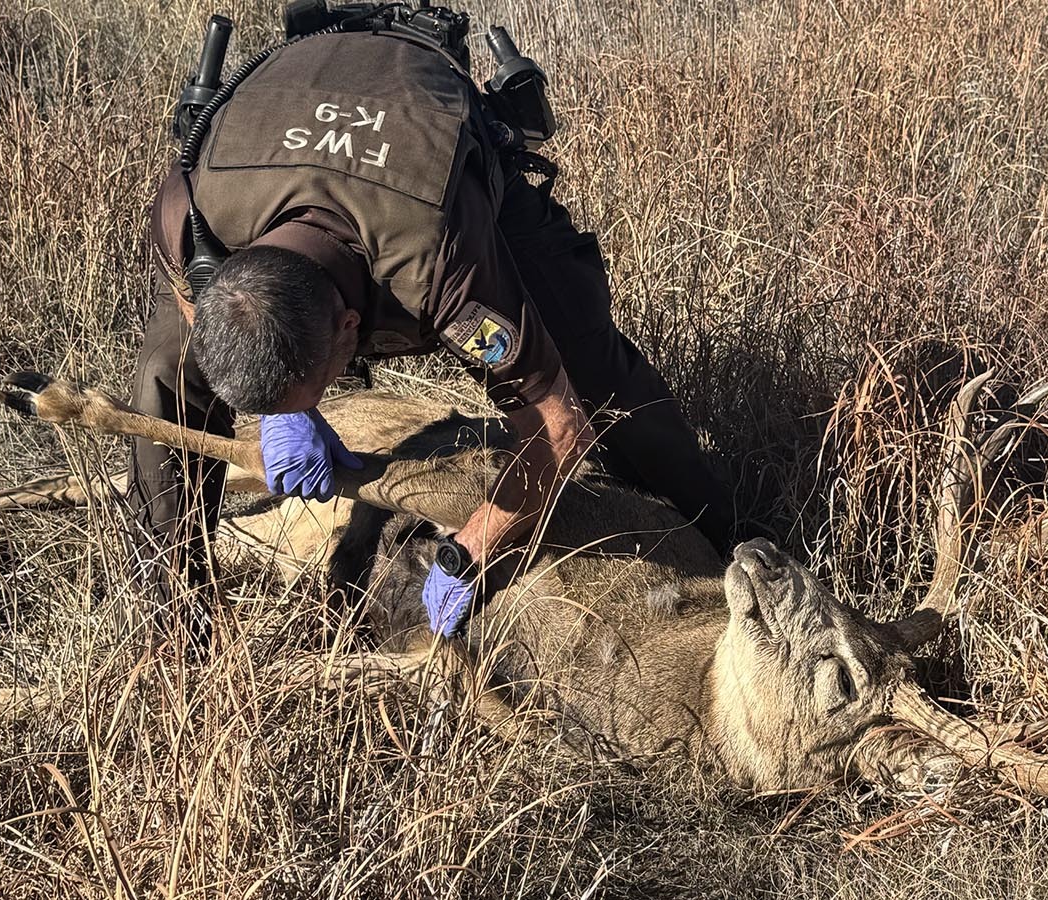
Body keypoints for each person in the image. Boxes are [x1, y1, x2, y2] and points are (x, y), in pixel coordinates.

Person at [127, 19, 732, 645]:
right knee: (167, 382)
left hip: (431, 156)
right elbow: (194, 299)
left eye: (319, 388)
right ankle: (174, 615)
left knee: (593, 372)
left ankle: (730, 533)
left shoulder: (440, 265)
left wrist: (474, 546)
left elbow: (558, 430)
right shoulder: (192, 215)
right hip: (291, 98)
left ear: (351, 329)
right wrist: (284, 412)